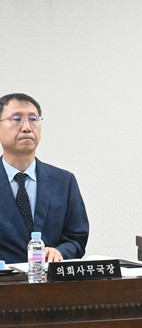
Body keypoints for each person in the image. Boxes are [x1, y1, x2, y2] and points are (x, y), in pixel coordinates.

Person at [0, 93, 89, 263]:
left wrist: (60, 252)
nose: (27, 127)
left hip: (49, 278)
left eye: (33, 119)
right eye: (16, 119)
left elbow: (76, 238)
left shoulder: (64, 181)